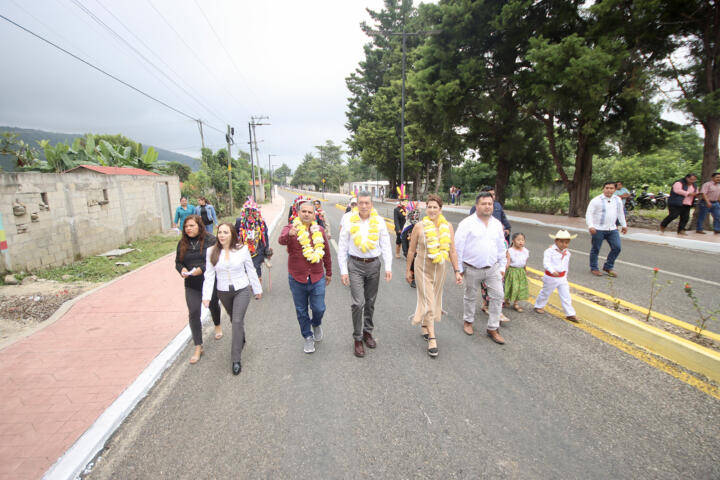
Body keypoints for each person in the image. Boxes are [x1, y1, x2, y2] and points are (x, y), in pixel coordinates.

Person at [337, 191, 393, 358]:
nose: (363, 206)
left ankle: (367, 331)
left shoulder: (379, 221)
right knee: (358, 303)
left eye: (367, 203)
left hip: (374, 265)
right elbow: (342, 246)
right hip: (354, 265)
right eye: (360, 203)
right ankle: (357, 338)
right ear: (357, 203)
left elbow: (386, 245)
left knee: (370, 302)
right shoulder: (348, 219)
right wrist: (343, 270)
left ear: (371, 204)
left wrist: (388, 266)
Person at [203, 223, 262, 375]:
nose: (222, 235)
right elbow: (209, 275)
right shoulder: (211, 251)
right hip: (223, 292)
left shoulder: (241, 249)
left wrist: (257, 289)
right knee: (235, 320)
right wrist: (206, 297)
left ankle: (235, 359)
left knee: (236, 321)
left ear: (232, 234)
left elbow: (250, 268)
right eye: (220, 232)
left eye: (225, 232)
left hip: (241, 290)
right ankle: (240, 337)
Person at [405, 195, 461, 357]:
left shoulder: (448, 226)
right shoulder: (419, 227)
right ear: (426, 209)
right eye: (429, 207)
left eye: (435, 207)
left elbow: (452, 251)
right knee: (429, 302)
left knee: (434, 300)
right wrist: (408, 270)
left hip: (440, 270)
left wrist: (457, 271)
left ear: (440, 209)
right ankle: (432, 338)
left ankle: (425, 325)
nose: (432, 210)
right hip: (422, 268)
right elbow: (411, 250)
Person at [279, 201, 332, 354]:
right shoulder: (290, 228)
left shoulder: (320, 230)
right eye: (304, 211)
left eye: (310, 212)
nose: (307, 214)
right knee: (301, 310)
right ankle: (307, 337)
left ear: (314, 214)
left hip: (317, 276)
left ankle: (316, 323)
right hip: (297, 278)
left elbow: (327, 253)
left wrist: (329, 272)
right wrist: (289, 235)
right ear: (298, 213)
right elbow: (281, 240)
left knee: (319, 307)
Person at [455, 192, 507, 345]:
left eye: (490, 204)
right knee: (470, 295)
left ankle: (493, 327)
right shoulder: (466, 223)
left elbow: (500, 247)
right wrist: (458, 269)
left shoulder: (497, 224)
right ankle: (468, 321)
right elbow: (458, 247)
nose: (487, 206)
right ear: (477, 206)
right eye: (484, 203)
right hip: (472, 268)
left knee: (498, 296)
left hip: (493, 268)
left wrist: (502, 265)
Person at [174, 215, 222, 364]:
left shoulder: (210, 240)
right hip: (191, 284)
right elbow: (178, 262)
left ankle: (218, 324)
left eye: (192, 226)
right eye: (186, 226)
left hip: (208, 281)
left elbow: (216, 260)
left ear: (199, 226)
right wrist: (182, 269)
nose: (188, 228)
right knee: (194, 312)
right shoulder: (182, 243)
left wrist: (202, 269)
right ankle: (198, 346)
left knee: (213, 303)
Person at [534, 230, 578, 322]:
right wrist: (552, 270)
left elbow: (566, 265)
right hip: (551, 277)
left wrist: (565, 274)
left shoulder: (567, 253)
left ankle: (570, 313)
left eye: (566, 242)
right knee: (546, 292)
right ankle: (539, 305)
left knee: (566, 295)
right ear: (556, 241)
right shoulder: (550, 251)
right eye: (561, 242)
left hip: (562, 277)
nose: (564, 244)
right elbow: (546, 263)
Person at [585, 181, 627, 277]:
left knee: (617, 247)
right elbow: (589, 214)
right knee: (596, 249)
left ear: (615, 190)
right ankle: (594, 268)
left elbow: (620, 213)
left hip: (612, 229)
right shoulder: (596, 200)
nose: (609, 190)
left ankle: (608, 266)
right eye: (607, 188)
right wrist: (591, 226)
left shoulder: (618, 200)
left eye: (611, 188)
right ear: (603, 189)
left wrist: (624, 225)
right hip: (598, 229)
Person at [235, 199, 270, 282]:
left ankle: (257, 287)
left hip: (258, 250)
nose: (250, 213)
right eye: (248, 211)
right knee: (245, 268)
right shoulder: (240, 222)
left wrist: (266, 251)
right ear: (244, 212)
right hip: (244, 250)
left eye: (253, 211)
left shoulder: (261, 222)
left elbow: (265, 237)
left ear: (257, 212)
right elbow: (235, 234)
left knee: (256, 267)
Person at [504, 233, 529, 312]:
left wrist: (525, 271)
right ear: (513, 240)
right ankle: (506, 300)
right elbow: (507, 262)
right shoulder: (510, 251)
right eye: (518, 240)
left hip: (520, 271)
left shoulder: (525, 251)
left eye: (522, 240)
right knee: (510, 286)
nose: (521, 242)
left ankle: (516, 303)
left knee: (519, 288)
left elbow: (525, 262)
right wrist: (503, 272)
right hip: (512, 271)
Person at [401, 206, 420, 288]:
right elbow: (404, 239)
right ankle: (412, 276)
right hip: (409, 249)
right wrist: (406, 251)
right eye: (413, 214)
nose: (414, 216)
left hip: (418, 250)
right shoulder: (407, 226)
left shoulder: (420, 225)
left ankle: (416, 278)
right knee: (412, 262)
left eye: (416, 214)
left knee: (417, 262)